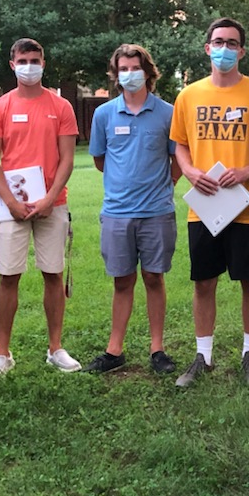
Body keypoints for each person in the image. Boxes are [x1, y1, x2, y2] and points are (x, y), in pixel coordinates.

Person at [169, 17, 249, 387]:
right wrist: (188, 171)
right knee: (204, 281)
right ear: (207, 48)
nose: (225, 49)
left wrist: (247, 170)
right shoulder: (189, 95)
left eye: (232, 43)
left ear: (242, 51)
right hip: (205, 204)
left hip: (247, 206)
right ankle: (204, 356)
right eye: (218, 42)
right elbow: (180, 143)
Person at [0, 38, 81, 375]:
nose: (29, 65)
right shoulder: (0, 107)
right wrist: (10, 201)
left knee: (53, 274)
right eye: (23, 60)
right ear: (12, 65)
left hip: (53, 203)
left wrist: (51, 197)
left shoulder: (61, 106)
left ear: (44, 63)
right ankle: (2, 353)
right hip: (12, 206)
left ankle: (55, 348)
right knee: (8, 276)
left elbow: (67, 158)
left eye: (35, 59)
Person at [86, 44, 180, 374]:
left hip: (157, 211)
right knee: (122, 281)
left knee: (154, 277)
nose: (129, 74)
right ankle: (115, 350)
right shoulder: (104, 114)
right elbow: (99, 159)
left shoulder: (168, 112)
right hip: (117, 213)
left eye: (135, 68)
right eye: (123, 69)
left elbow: (177, 159)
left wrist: (163, 186)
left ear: (148, 72)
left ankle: (158, 350)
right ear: (116, 74)